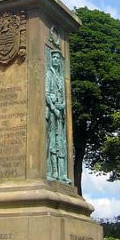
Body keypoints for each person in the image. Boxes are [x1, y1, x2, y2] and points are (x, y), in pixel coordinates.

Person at [45, 50, 70, 183]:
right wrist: (54, 108)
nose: (56, 59)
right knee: (53, 141)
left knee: (61, 141)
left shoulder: (61, 77)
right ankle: (54, 172)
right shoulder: (49, 74)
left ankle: (62, 174)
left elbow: (65, 97)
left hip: (60, 113)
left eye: (58, 58)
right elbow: (46, 93)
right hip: (53, 112)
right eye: (53, 57)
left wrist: (62, 106)